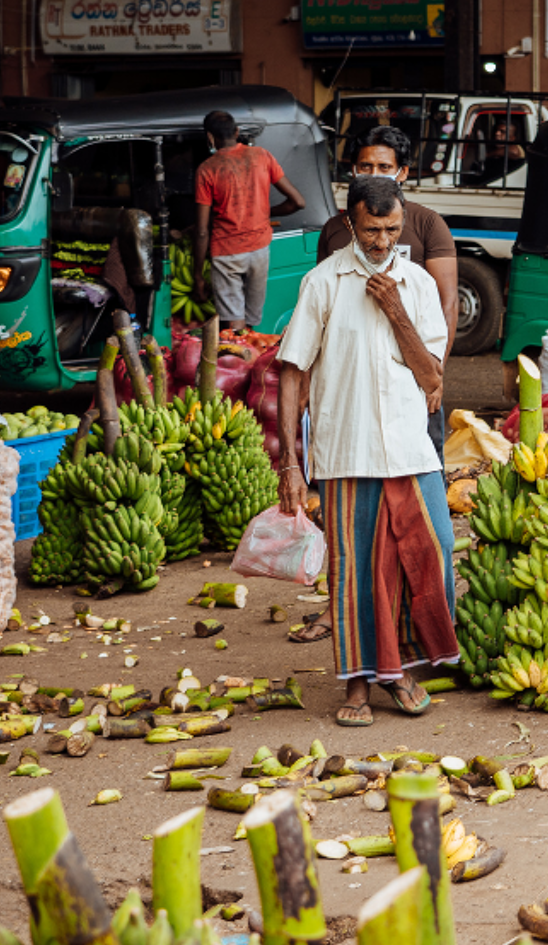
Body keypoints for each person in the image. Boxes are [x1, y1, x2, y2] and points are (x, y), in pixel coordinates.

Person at [274, 176, 455, 725]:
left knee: (431, 554)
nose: (382, 242)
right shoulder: (323, 283)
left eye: (393, 229)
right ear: (352, 223)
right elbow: (291, 373)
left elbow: (433, 379)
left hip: (410, 451)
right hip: (346, 452)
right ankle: (359, 686)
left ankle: (398, 669)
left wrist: (396, 310)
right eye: (373, 230)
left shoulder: (418, 285)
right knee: (355, 572)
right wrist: (291, 462)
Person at [317, 126, 458, 460]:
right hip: (353, 377)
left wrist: (435, 377)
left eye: (384, 167)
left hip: (412, 373)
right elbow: (322, 306)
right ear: (352, 170)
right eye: (365, 167)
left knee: (421, 465)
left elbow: (447, 303)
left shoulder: (427, 224)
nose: (374, 174)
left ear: (403, 173)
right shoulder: (335, 230)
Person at [195, 110, 306, 332]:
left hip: (227, 252)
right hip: (260, 249)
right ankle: (252, 360)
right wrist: (264, 212)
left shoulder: (207, 169)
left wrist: (198, 275)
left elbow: (201, 231)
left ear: (209, 137)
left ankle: (238, 361)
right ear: (236, 132)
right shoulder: (262, 156)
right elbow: (298, 202)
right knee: (253, 320)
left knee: (235, 324)